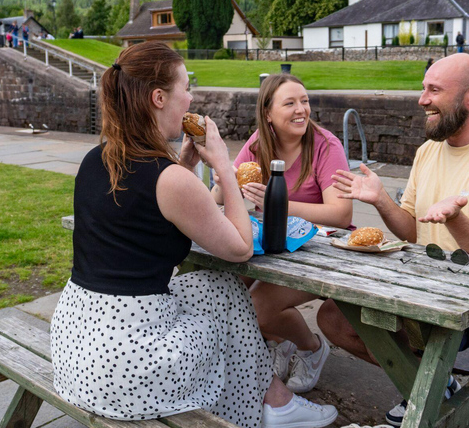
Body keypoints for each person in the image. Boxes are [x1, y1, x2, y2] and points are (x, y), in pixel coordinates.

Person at [50, 42, 338, 428]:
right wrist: (222, 163)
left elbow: (145, 215)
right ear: (158, 98)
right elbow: (238, 249)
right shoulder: (167, 179)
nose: (190, 98)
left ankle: (275, 399)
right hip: (126, 367)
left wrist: (183, 165)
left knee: (213, 287)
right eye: (186, 88)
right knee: (228, 298)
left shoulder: (97, 159)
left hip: (76, 344)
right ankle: (269, 406)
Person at [317, 53, 469, 427]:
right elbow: (412, 231)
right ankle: (433, 385)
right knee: (335, 317)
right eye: (423, 89)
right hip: (430, 280)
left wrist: (455, 220)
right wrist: (381, 200)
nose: (422, 99)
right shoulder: (428, 151)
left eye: (434, 90)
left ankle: (426, 393)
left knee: (412, 326)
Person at [212, 73, 353, 394]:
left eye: (304, 101)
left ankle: (311, 348)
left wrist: (280, 205)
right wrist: (224, 182)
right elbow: (218, 197)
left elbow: (341, 214)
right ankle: (280, 344)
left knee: (258, 307)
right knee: (226, 290)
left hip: (321, 251)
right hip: (272, 245)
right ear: (268, 113)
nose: (301, 109)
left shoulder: (326, 145)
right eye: (290, 103)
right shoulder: (258, 144)